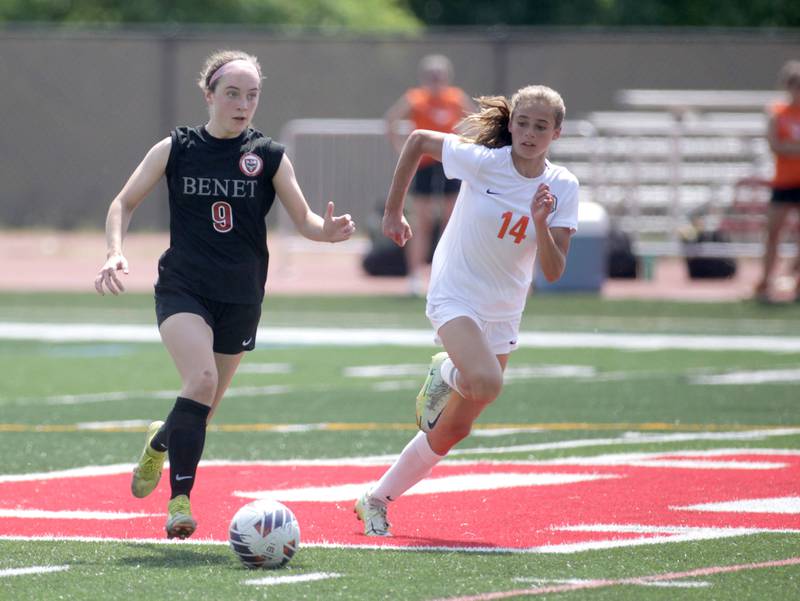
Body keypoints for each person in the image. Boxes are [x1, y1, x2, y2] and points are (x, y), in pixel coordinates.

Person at [94, 49, 355, 539]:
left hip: (241, 296)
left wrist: (329, 229)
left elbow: (305, 222)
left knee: (203, 406)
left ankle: (159, 442)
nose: (243, 104)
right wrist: (114, 252)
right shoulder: (177, 147)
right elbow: (123, 202)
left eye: (252, 95)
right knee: (201, 379)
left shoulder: (269, 156)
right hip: (183, 287)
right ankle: (179, 503)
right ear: (209, 94)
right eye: (232, 93)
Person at [355, 85, 579, 536]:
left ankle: (375, 499)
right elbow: (418, 139)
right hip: (455, 292)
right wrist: (394, 212)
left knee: (455, 428)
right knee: (486, 382)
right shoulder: (484, 162)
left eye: (541, 127)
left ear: (557, 132)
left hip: (504, 309)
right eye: (522, 123)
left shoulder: (563, 186)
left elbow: (553, 272)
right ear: (511, 124)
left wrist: (541, 221)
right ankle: (447, 373)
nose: (529, 134)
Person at [384, 54, 475, 296]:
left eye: (440, 75)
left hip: (451, 164)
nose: (436, 80)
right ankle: (414, 276)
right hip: (424, 164)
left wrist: (469, 147)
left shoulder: (456, 98)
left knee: (452, 221)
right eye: (431, 75)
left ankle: (448, 273)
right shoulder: (416, 98)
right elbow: (391, 120)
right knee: (421, 222)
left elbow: (476, 121)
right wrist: (402, 149)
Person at [754, 59, 800, 303]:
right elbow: (775, 145)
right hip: (783, 182)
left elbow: (784, 145)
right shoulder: (778, 112)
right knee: (773, 234)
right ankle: (765, 282)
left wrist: (789, 147)